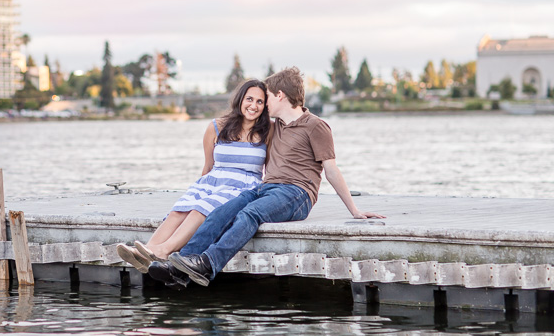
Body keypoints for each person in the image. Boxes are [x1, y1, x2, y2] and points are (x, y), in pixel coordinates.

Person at [149, 66, 385, 288]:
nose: (262, 104)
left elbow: (331, 169)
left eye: (267, 98)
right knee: (224, 210)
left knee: (250, 213)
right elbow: (242, 127)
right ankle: (181, 264)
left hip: (297, 193)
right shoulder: (276, 125)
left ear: (280, 96)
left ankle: (208, 263)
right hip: (267, 188)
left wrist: (354, 210)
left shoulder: (316, 126)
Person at [117, 79, 270, 273]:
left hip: (242, 187)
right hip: (214, 180)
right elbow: (208, 165)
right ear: (240, 99)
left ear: (265, 106)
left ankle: (163, 251)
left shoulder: (268, 131)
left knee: (199, 210)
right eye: (250, 99)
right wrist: (198, 190)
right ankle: (145, 251)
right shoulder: (217, 126)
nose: (253, 106)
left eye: (259, 101)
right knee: (180, 209)